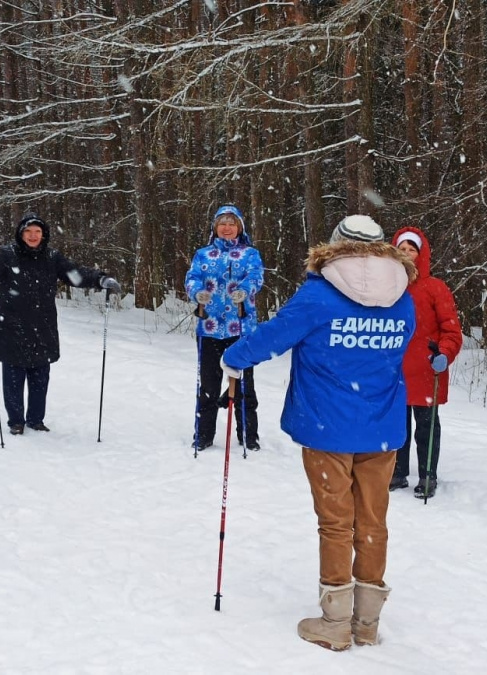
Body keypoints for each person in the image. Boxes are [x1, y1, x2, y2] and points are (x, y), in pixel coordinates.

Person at [221, 215, 416, 651]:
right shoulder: (402, 297)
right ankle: (366, 621)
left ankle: (335, 621)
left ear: (336, 245)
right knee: (373, 520)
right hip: (381, 426)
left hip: (328, 425)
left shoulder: (320, 295)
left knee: (335, 522)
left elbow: (274, 335)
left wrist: (235, 357)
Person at [0, 212, 120, 435]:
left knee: (40, 375)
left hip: (43, 326)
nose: (33, 236)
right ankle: (16, 421)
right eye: (29, 232)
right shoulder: (8, 254)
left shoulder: (52, 257)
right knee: (13, 375)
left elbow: (75, 274)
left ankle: (35, 419)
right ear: (21, 233)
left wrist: (101, 279)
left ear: (43, 235)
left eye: (37, 232)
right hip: (11, 325)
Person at [389, 227, 463, 498]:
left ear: (421, 254)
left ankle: (427, 474)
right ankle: (397, 472)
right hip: (394, 368)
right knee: (398, 425)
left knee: (426, 426)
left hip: (427, 367)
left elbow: (451, 330)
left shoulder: (435, 288)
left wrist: (443, 353)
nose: (406, 254)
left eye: (412, 249)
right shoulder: (387, 287)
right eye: (402, 249)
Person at [184, 205, 264, 451]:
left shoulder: (250, 254)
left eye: (231, 223)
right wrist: (197, 293)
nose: (227, 228)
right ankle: (204, 435)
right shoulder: (203, 254)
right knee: (208, 385)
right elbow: (192, 277)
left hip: (240, 328)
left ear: (239, 227)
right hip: (209, 328)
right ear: (215, 228)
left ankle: (248, 436)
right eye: (222, 223)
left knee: (242, 385)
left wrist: (246, 290)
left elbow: (256, 276)